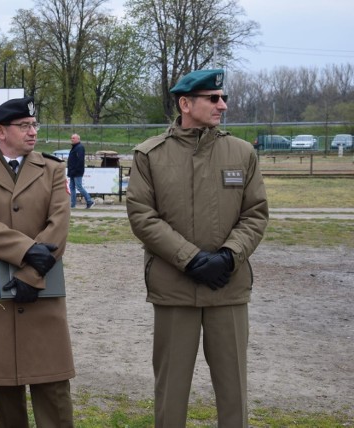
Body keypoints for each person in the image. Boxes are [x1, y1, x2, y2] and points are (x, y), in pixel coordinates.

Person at [126, 69, 269, 427]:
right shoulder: (150, 155)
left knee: (233, 387)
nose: (222, 105)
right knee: (171, 388)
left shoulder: (241, 152)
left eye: (223, 97)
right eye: (213, 98)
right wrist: (190, 260)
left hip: (228, 287)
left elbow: (255, 213)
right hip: (175, 288)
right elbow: (143, 216)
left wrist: (228, 256)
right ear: (185, 103)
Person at [0, 96, 75, 427]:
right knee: (4, 386)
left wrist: (31, 273)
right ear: (1, 131)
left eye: (34, 125)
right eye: (24, 126)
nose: (33, 131)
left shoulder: (53, 169)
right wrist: (26, 251)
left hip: (43, 287)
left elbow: (59, 225)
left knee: (52, 386)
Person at [67, 133, 95, 209]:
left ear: (78, 139)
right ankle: (72, 204)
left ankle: (90, 201)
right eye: (71, 138)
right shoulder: (74, 147)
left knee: (79, 186)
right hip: (72, 171)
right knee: (71, 187)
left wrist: (75, 170)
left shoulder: (79, 147)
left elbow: (80, 160)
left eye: (74, 138)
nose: (72, 139)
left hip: (77, 171)